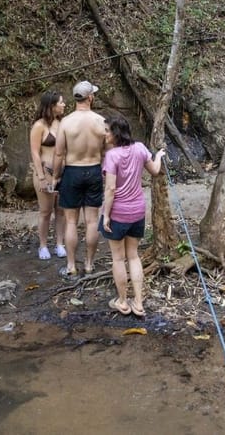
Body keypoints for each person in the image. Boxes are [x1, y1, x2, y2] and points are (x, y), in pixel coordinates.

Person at [98, 113, 165, 317]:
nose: (104, 133)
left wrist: (106, 215)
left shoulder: (112, 156)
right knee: (133, 256)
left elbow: (110, 189)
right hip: (137, 211)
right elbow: (154, 170)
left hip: (118, 212)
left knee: (118, 259)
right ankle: (138, 302)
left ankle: (122, 302)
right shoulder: (140, 148)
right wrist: (159, 157)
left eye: (107, 130)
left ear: (116, 133)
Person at [52, 80, 108, 277]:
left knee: (70, 222)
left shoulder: (66, 122)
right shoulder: (101, 121)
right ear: (90, 97)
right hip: (93, 170)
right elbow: (107, 152)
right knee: (92, 221)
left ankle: (71, 265)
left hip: (72, 171)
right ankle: (90, 264)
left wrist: (55, 177)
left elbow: (59, 154)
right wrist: (104, 172)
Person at [29, 91, 66, 260]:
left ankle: (59, 243)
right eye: (61, 102)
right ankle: (43, 245)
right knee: (45, 211)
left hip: (63, 173)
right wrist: (41, 176)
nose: (64, 105)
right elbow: (35, 153)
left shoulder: (62, 123)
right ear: (51, 106)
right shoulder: (39, 126)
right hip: (45, 172)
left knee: (61, 210)